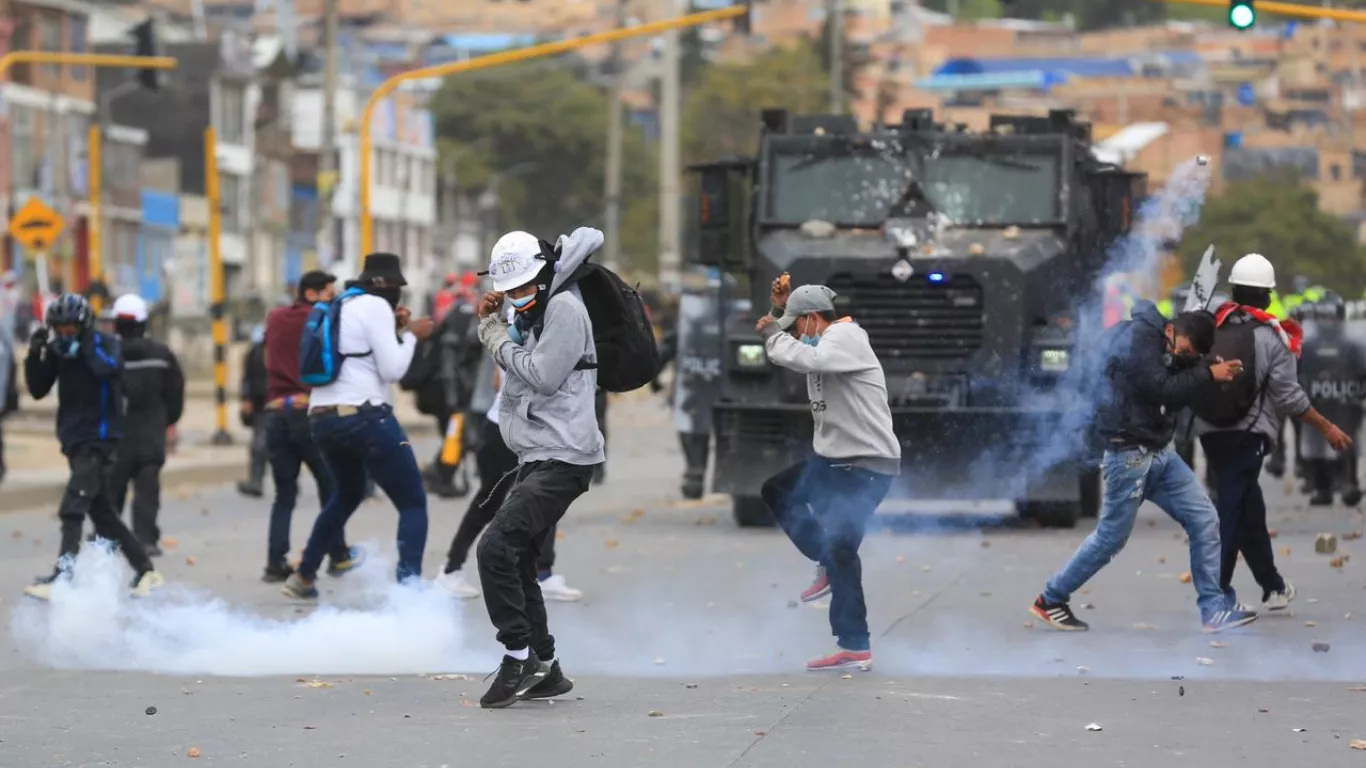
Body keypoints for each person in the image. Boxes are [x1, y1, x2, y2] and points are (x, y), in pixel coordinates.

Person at [1032, 301, 1256, 634]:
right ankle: (1051, 599)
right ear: (1170, 330)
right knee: (1110, 539)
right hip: (1129, 454)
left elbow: (1175, 391)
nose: (1186, 357)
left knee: (1204, 518)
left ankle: (1213, 609)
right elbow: (1160, 387)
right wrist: (1206, 372)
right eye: (1187, 350)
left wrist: (1206, 368)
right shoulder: (1139, 338)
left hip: (1159, 452)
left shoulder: (1165, 347)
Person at [471, 228, 605, 708]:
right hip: (539, 454)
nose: (518, 297)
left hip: (564, 457)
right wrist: (498, 317)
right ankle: (546, 666)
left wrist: (490, 335)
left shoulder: (565, 309)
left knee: (493, 548)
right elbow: (520, 341)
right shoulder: (534, 308)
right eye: (510, 290)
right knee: (519, 558)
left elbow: (543, 375)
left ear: (546, 274)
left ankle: (516, 656)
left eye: (525, 287)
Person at [755, 278, 900, 672]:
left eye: (799, 325)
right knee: (778, 490)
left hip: (867, 466)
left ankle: (855, 646)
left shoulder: (846, 337)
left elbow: (808, 358)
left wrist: (773, 327)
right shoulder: (824, 338)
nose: (798, 335)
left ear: (815, 318)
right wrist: (779, 313)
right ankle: (828, 565)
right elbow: (797, 348)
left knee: (842, 548)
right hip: (834, 462)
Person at [1195, 255, 1353, 613]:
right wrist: (1327, 427)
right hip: (1246, 437)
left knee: (1250, 508)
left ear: (1234, 290)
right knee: (1232, 513)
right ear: (1267, 296)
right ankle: (1215, 597)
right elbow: (1290, 397)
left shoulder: (1213, 327)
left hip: (1211, 431)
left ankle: (1273, 586)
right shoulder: (1271, 337)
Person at [282, 253, 434, 599]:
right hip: (365, 417)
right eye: (397, 288)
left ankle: (303, 576)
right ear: (386, 286)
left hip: (322, 419)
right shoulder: (377, 306)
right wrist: (411, 335)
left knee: (347, 494)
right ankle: (410, 592)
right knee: (412, 502)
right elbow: (392, 370)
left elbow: (358, 351)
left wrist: (396, 329)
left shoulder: (342, 304)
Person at [433, 308, 585, 602]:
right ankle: (450, 570)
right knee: (490, 500)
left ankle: (543, 572)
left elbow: (497, 376)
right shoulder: (533, 316)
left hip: (530, 425)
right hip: (509, 426)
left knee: (546, 496)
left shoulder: (526, 313)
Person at [22, 294, 164, 601]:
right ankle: (145, 570)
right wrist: (36, 354)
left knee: (72, 508)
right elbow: (37, 389)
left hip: (99, 441)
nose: (65, 335)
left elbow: (109, 367)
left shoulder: (104, 344)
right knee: (103, 516)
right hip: (74, 441)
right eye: (59, 330)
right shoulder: (61, 352)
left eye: (71, 329)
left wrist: (82, 346)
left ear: (84, 325)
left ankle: (63, 575)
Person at [261, 271, 364, 583]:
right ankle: (337, 554)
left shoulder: (275, 317)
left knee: (284, 494)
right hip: (309, 412)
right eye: (328, 293)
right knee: (331, 487)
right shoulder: (323, 320)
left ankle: (275, 562)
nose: (331, 299)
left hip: (276, 414)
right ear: (312, 294)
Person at [106, 294, 184, 556]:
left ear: (117, 324)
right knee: (147, 491)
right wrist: (167, 422)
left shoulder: (107, 355)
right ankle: (145, 539)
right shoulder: (162, 355)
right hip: (151, 436)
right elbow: (175, 394)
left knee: (112, 490)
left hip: (116, 439)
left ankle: (107, 538)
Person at [1298, 295, 1364, 507]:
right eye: (1323, 317)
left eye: (1331, 317)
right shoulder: (1307, 346)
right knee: (1316, 443)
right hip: (1318, 400)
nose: (1328, 322)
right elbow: (1298, 373)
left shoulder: (1353, 345)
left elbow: (1363, 371)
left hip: (1346, 400)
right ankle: (1322, 488)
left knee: (1347, 441)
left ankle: (1349, 484)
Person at [237, 324, 269, 497]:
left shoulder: (285, 349)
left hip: (280, 403)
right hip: (260, 404)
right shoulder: (255, 353)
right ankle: (256, 481)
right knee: (259, 444)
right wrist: (246, 399)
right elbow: (247, 377)